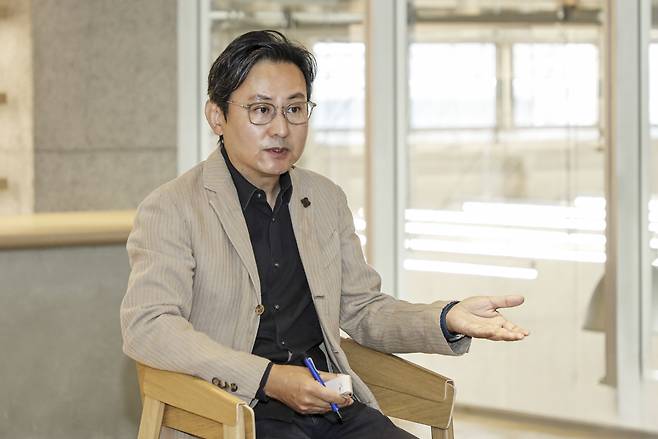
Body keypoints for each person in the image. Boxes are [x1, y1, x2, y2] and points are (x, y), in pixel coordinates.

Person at [120, 30, 529, 439]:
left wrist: (445, 318)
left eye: (295, 109)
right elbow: (149, 326)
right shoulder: (172, 208)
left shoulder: (325, 198)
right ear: (217, 116)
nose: (281, 128)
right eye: (261, 110)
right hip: (234, 414)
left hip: (333, 409)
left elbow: (364, 310)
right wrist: (268, 378)